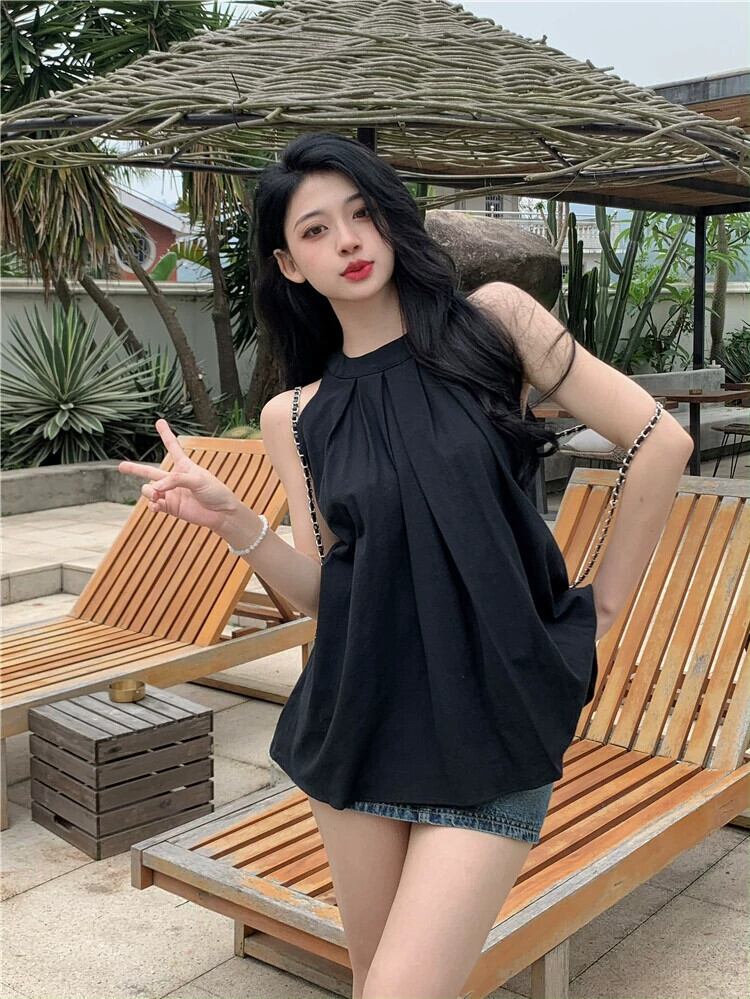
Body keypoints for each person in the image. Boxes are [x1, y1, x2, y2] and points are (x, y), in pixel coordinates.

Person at [118, 132, 693, 999]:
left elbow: (658, 440)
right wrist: (237, 522)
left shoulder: (496, 323)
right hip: (358, 722)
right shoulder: (294, 416)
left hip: (494, 720)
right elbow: (326, 594)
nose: (347, 240)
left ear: (391, 220)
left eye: (361, 213)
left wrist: (599, 610)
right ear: (290, 265)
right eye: (315, 230)